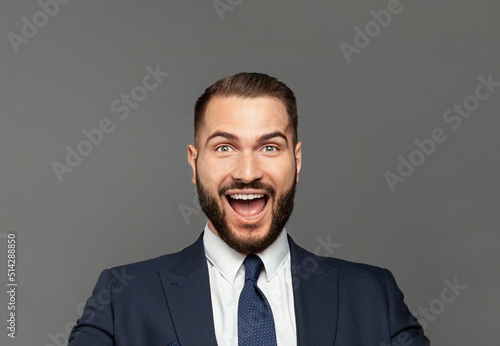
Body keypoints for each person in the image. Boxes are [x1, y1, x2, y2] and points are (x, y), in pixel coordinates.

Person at [68, 72, 430, 345]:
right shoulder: (121, 298)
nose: (247, 173)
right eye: (224, 148)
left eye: (269, 147)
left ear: (297, 161)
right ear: (194, 164)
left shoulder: (372, 297)